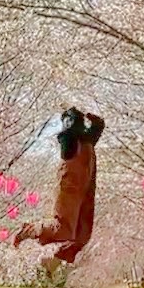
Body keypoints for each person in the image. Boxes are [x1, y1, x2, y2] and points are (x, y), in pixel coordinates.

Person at [13, 107, 104, 278]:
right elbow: (67, 137)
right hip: (70, 188)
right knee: (63, 228)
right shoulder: (69, 139)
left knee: (83, 236)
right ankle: (30, 230)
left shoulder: (87, 140)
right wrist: (72, 118)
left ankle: (52, 263)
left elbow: (97, 128)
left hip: (86, 190)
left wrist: (94, 121)